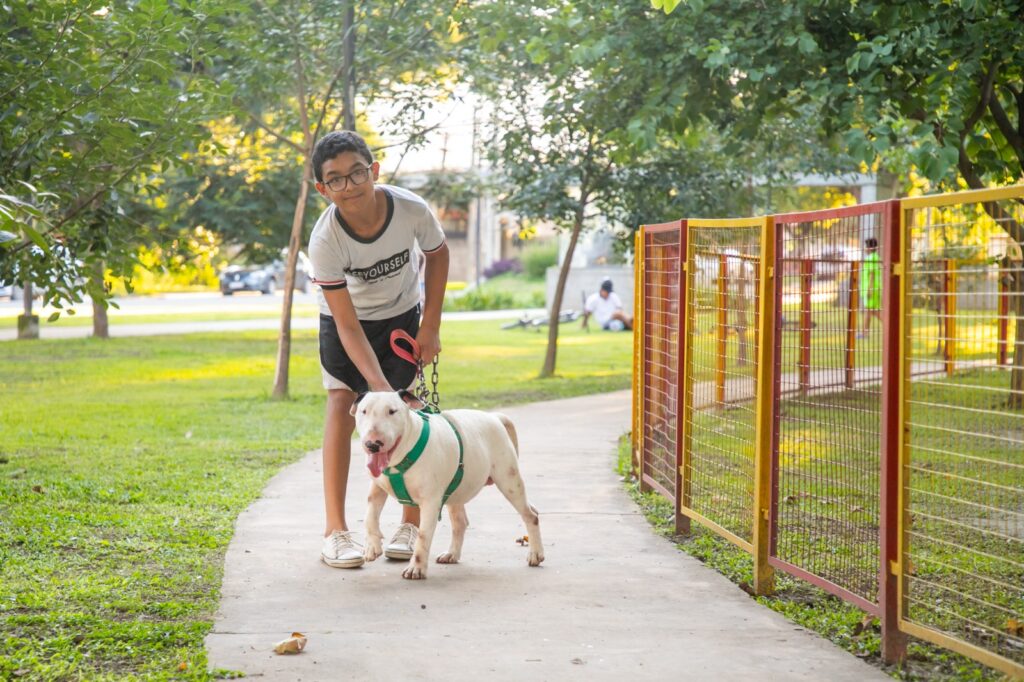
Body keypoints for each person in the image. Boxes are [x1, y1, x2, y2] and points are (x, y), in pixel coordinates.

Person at [307, 130, 449, 569]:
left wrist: (430, 325)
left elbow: (438, 254)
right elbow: (347, 324)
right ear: (323, 188)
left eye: (357, 173)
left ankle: (411, 523)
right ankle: (335, 531)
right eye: (336, 179)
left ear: (374, 171)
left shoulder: (410, 209)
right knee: (341, 403)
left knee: (407, 407)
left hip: (401, 314)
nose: (349, 186)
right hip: (345, 322)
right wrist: (377, 385)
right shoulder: (325, 240)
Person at [859, 237, 882, 338]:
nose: (865, 248)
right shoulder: (876, 257)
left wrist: (869, 289)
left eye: (866, 246)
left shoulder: (871, 258)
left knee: (873, 311)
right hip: (875, 288)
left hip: (871, 289)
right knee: (869, 310)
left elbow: (872, 274)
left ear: (869, 248)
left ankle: (889, 326)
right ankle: (864, 333)